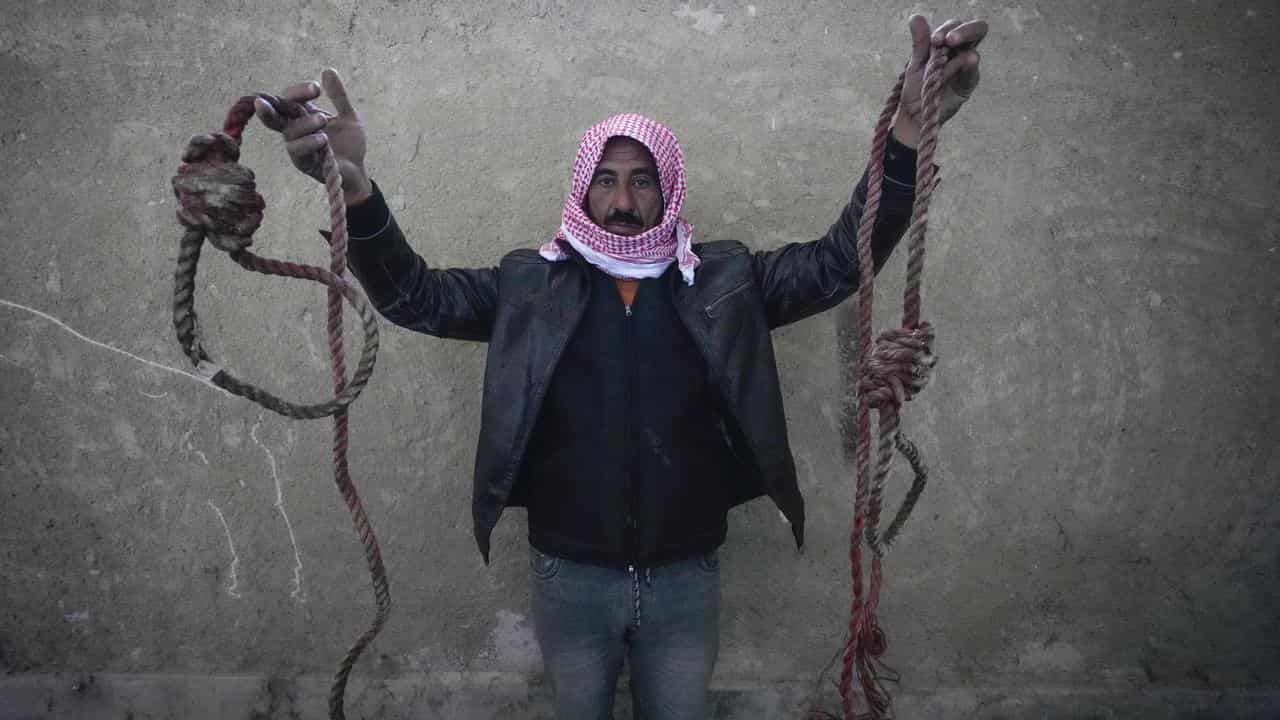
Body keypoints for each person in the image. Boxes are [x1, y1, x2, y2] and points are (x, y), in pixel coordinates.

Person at [255, 14, 984, 719]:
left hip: (685, 578)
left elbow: (835, 264)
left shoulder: (724, 281)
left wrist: (912, 133)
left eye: (641, 181)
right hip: (567, 577)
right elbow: (415, 297)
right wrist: (352, 185)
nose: (624, 201)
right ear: (581, 189)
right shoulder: (529, 286)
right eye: (605, 180)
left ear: (668, 188)